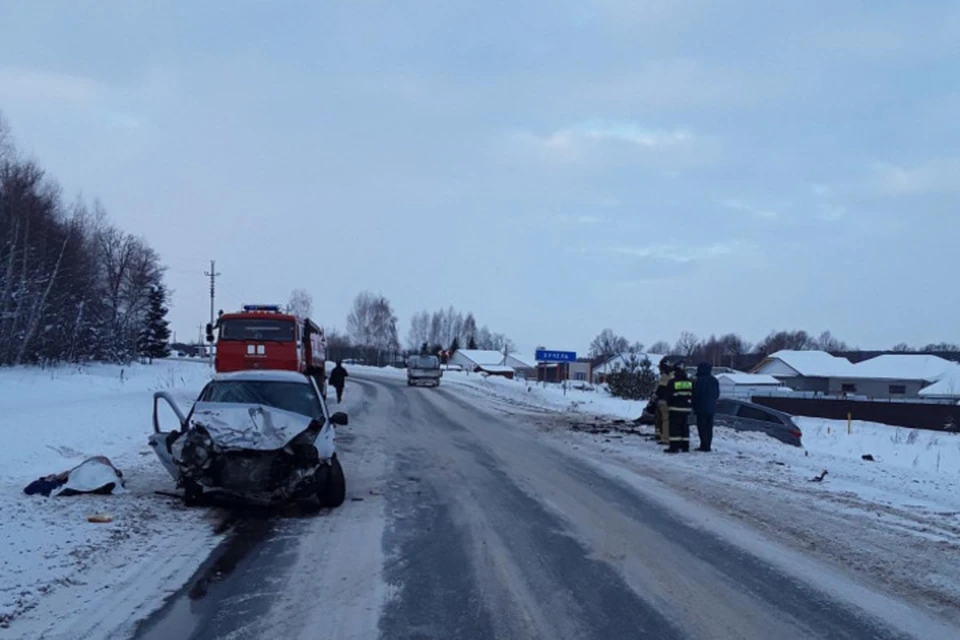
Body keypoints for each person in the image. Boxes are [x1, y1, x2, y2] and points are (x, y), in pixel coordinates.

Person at [664, 361, 693, 453]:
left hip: (675, 408)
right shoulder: (689, 382)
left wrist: (668, 402)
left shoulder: (673, 382)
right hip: (686, 409)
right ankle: (685, 446)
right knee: (684, 427)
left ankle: (674, 447)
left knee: (674, 428)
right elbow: (692, 394)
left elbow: (667, 395)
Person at [692, 362, 720, 452]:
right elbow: (717, 394)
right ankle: (708, 445)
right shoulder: (714, 380)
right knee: (709, 428)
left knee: (702, 427)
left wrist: (693, 405)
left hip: (701, 408)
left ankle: (703, 445)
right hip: (711, 408)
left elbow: (695, 394)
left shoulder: (698, 380)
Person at [653, 358, 674, 445]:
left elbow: (660, 389)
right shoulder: (674, 375)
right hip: (673, 400)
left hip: (664, 401)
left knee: (665, 420)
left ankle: (665, 438)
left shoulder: (665, 376)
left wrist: (654, 397)